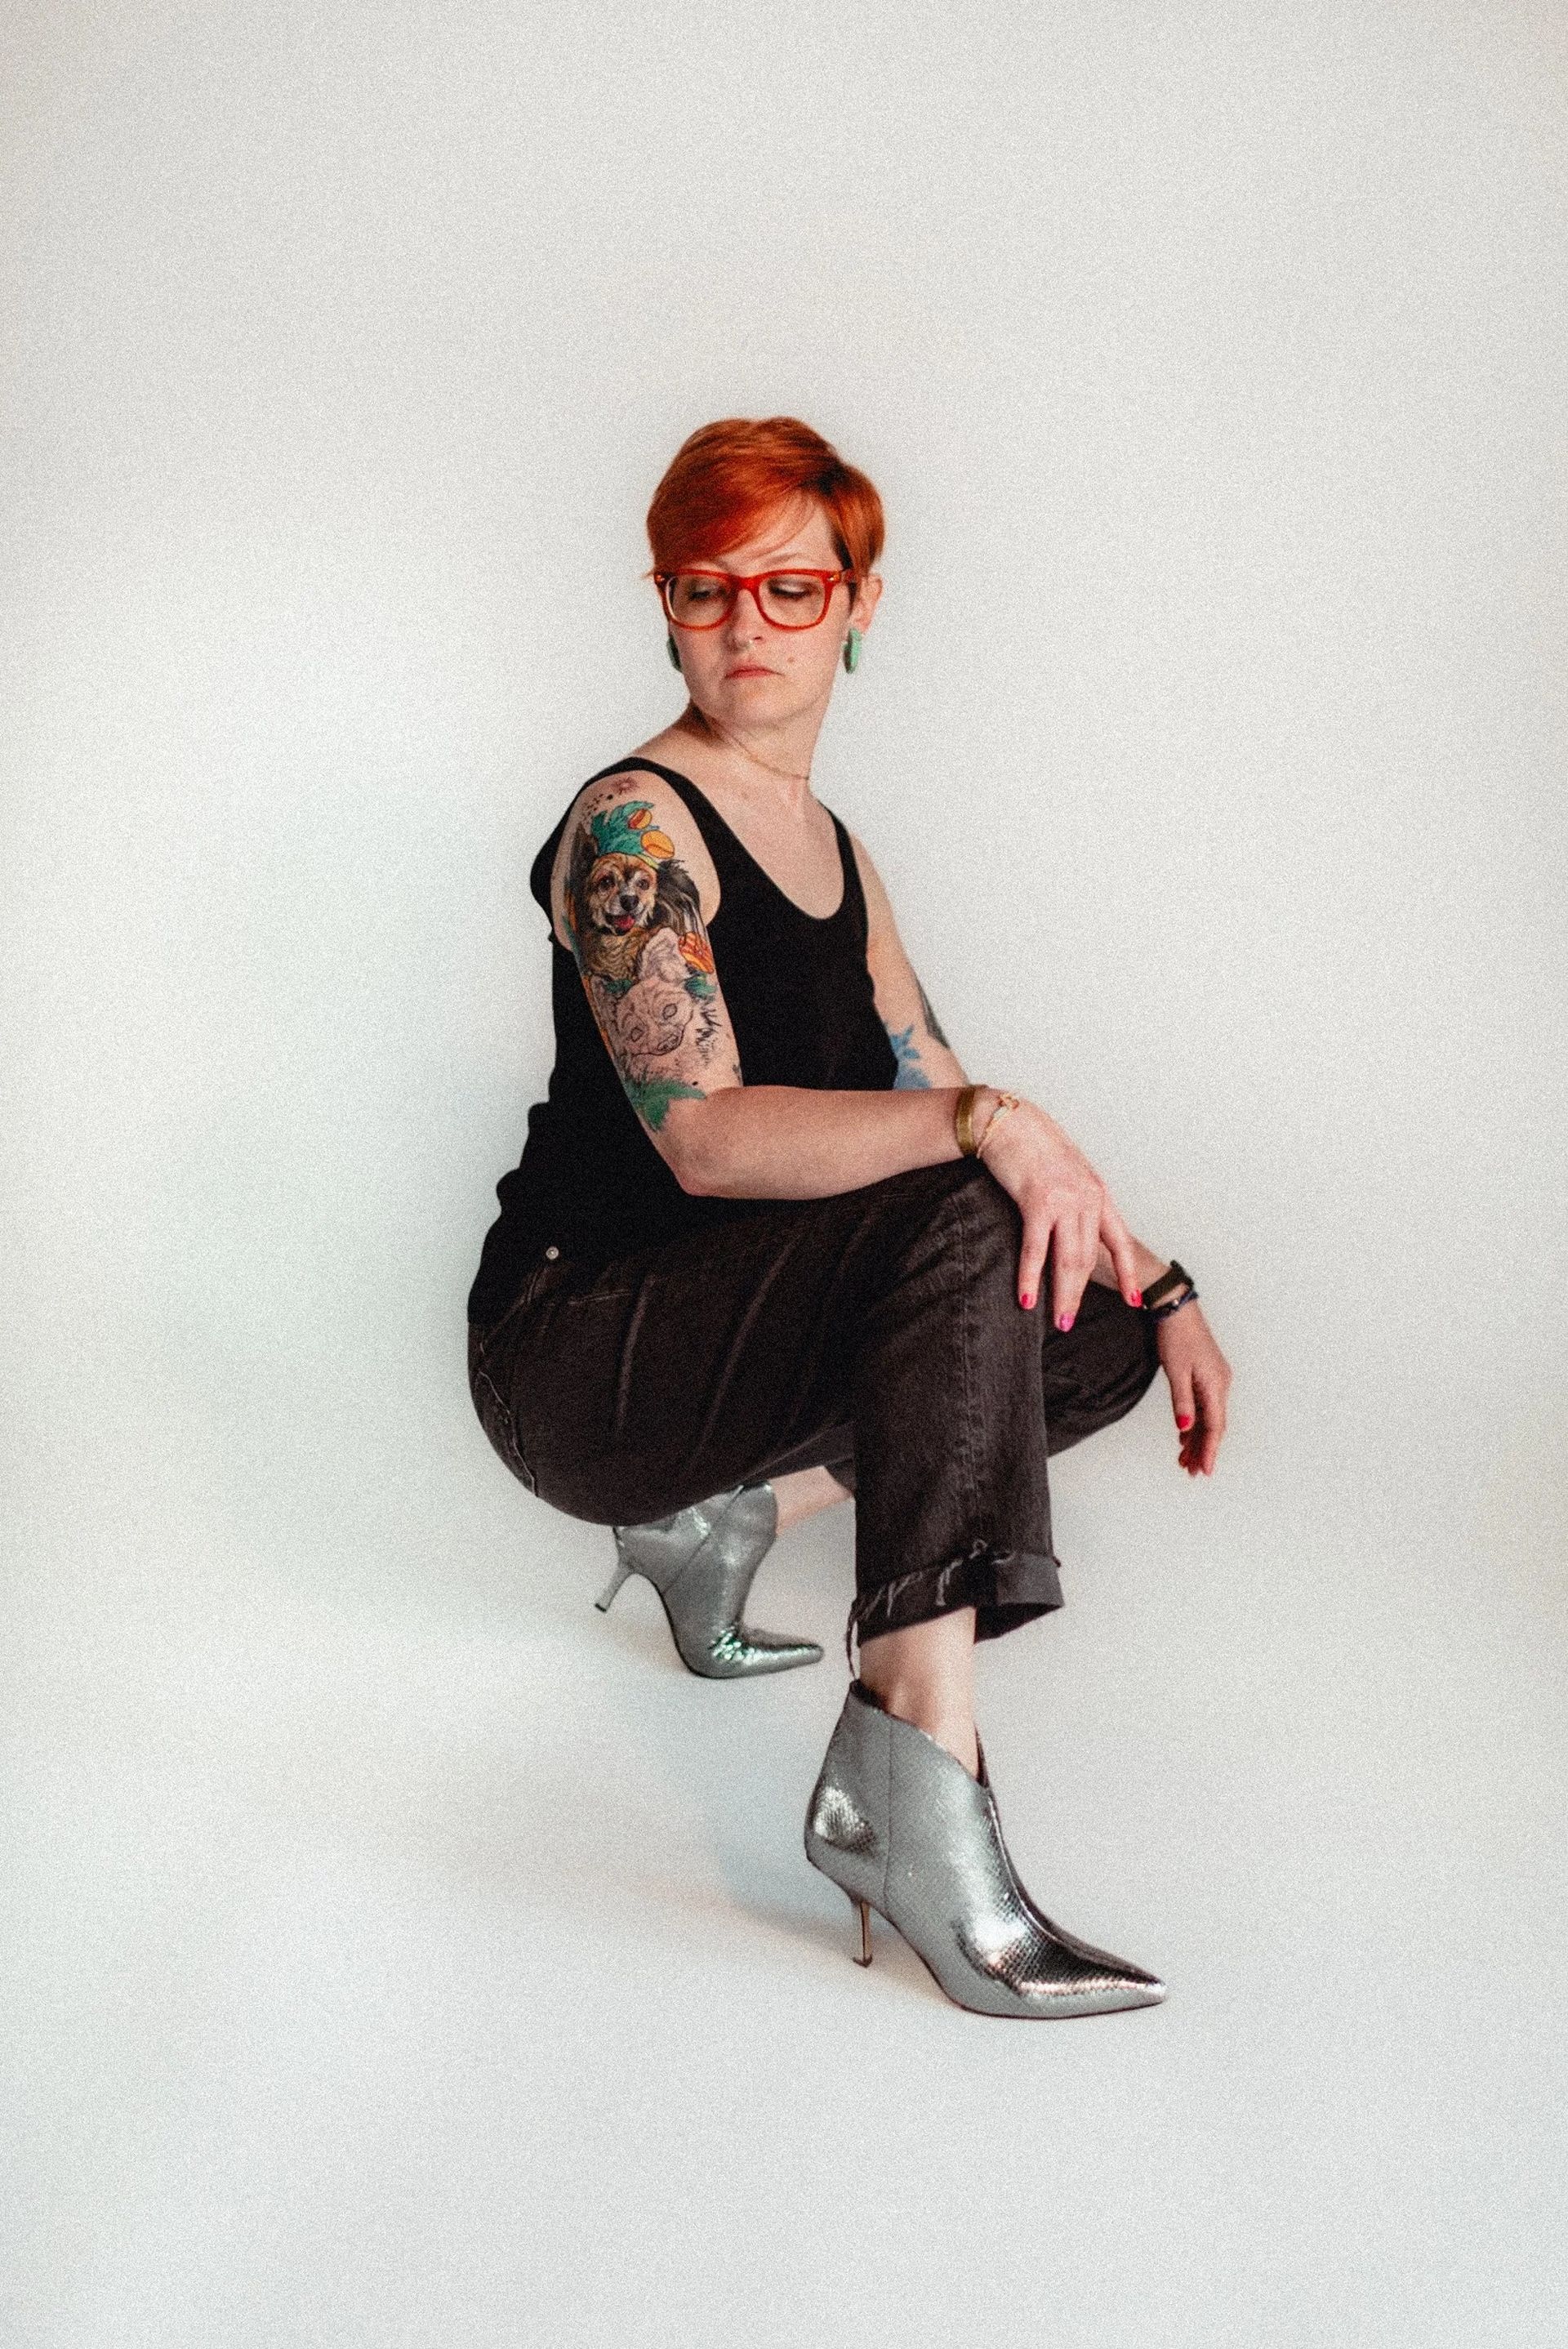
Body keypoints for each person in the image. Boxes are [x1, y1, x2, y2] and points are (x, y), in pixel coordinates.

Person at [466, 416, 1232, 2017]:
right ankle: (911, 1776)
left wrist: (1162, 1289)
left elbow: (937, 1078)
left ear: (859, 603)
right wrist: (982, 1124)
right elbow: (708, 1137)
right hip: (580, 1345)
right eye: (706, 587)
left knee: (1067, 1310)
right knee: (967, 1204)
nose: (746, 624)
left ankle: (722, 1522)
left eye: (791, 588)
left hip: (723, 1344)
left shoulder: (844, 859)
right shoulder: (636, 826)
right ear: (663, 603)